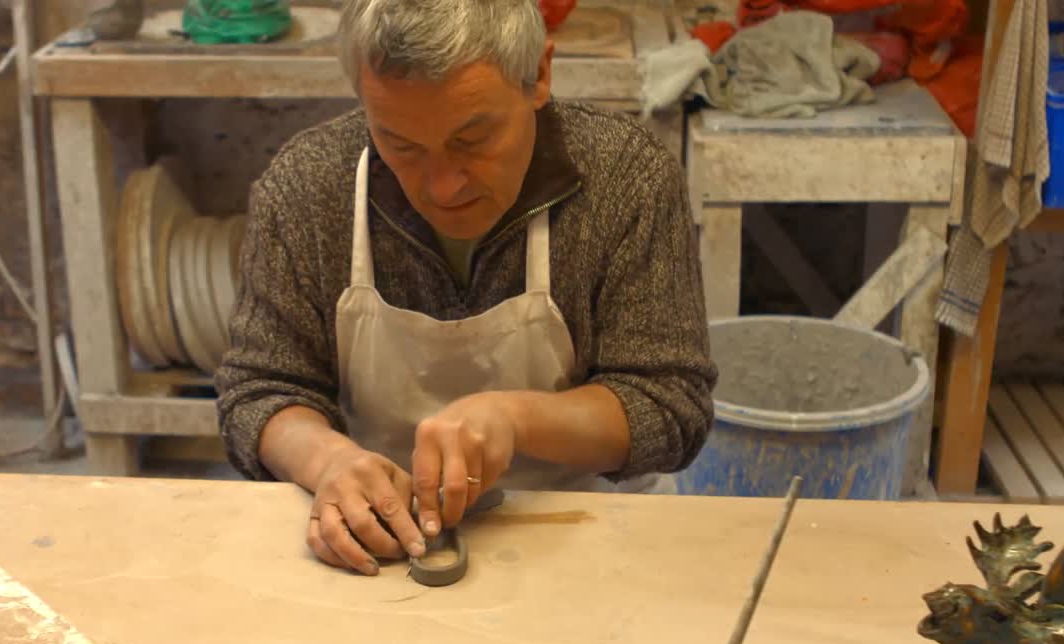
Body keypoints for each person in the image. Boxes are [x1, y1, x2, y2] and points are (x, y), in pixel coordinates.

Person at [215, 0, 717, 576]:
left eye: (473, 139)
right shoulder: (307, 186)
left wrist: (516, 420)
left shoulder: (626, 178)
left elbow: (669, 406)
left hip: (584, 531)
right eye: (402, 145)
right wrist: (326, 459)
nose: (443, 187)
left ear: (539, 75)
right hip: (376, 542)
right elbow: (259, 390)